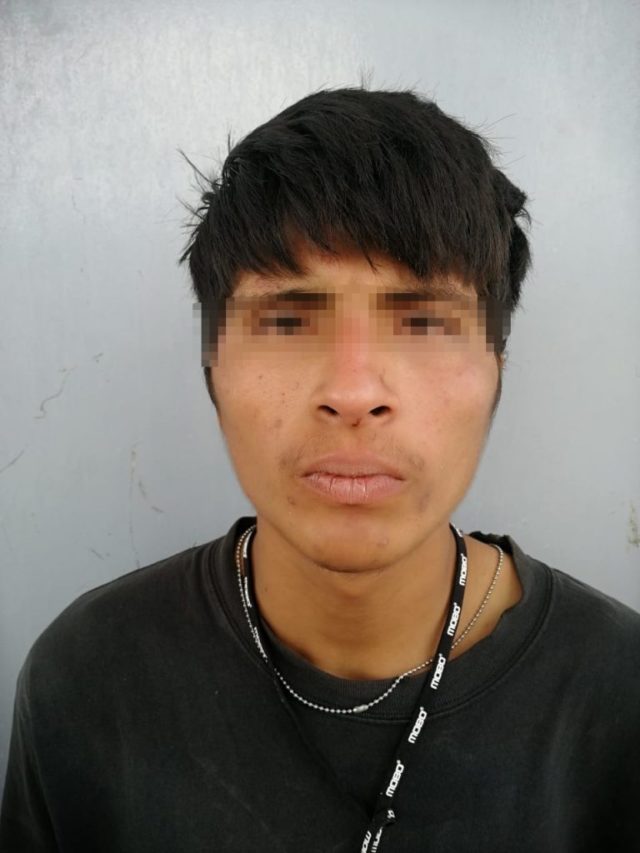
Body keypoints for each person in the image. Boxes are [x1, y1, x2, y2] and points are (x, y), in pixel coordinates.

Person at [1, 86, 639, 853]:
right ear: (211, 368)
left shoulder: (619, 690)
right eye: (287, 321)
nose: (353, 392)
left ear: (497, 368)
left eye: (423, 321)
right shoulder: (89, 676)